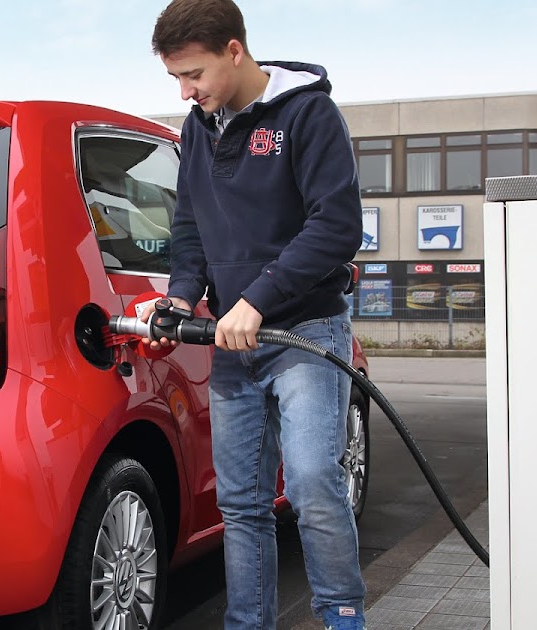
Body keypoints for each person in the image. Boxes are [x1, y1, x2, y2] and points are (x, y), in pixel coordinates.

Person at [146, 1, 366, 629]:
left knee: (313, 485)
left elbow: (336, 227)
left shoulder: (308, 115)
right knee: (241, 503)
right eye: (176, 80)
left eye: (195, 75)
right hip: (232, 342)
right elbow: (190, 226)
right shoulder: (199, 125)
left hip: (305, 331)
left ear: (234, 52)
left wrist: (256, 298)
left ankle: (343, 618)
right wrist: (182, 296)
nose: (187, 92)